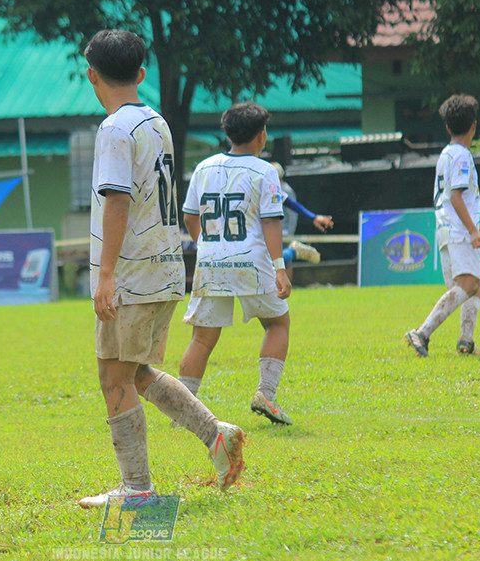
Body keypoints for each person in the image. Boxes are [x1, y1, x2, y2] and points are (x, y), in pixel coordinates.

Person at [77, 30, 246, 509]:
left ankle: (137, 489)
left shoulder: (114, 129)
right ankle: (217, 435)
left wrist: (105, 274)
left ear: (92, 76)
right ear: (142, 73)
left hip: (132, 272)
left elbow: (116, 201)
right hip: (167, 266)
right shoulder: (156, 122)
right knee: (137, 371)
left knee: (114, 375)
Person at [177, 102, 295, 426]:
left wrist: (209, 245)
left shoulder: (203, 167)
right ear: (260, 136)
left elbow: (189, 216)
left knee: (201, 339)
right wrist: (280, 268)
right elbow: (271, 222)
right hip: (252, 262)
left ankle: (182, 413)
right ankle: (266, 395)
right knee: (277, 323)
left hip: (211, 262)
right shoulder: (265, 170)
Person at [405, 94, 480, 357]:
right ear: (474, 126)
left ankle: (465, 343)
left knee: (476, 287)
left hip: (447, 228)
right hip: (458, 232)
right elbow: (456, 196)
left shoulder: (446, 154)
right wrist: (471, 231)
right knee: (469, 285)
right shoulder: (462, 156)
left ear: (447, 127)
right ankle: (421, 333)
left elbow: (451, 198)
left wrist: (478, 228)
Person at [271, 161, 334, 267]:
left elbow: (289, 203)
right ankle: (292, 252)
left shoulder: (275, 189)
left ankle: (292, 252)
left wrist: (313, 217)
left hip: (278, 232)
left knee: (272, 265)